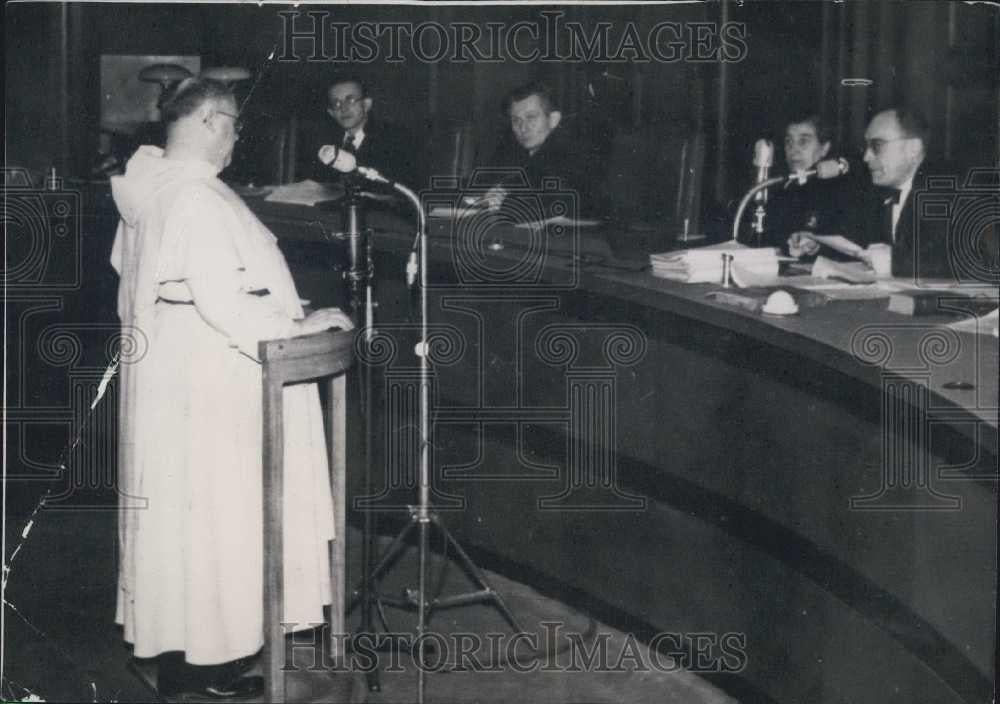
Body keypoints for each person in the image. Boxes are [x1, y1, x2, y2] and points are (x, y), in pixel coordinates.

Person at [111, 77, 353, 699]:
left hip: (180, 373)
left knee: (190, 523)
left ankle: (193, 656)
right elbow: (223, 300)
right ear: (212, 121)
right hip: (212, 375)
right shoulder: (194, 196)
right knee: (220, 519)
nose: (236, 142)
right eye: (235, 128)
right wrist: (296, 325)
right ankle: (210, 665)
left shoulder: (152, 185)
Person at [472, 81, 603, 218]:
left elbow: (558, 204)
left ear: (553, 120)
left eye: (531, 117)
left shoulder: (571, 156)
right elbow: (481, 185)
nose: (523, 128)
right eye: (516, 120)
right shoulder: (512, 152)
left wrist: (504, 202)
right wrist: (488, 195)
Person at [763, 114, 857, 256]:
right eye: (789, 142)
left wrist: (817, 246)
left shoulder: (841, 194)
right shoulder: (780, 190)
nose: (793, 150)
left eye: (803, 141)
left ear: (824, 148)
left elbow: (850, 249)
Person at [301, 76, 420, 187]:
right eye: (336, 103)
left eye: (351, 100)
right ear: (331, 113)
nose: (343, 108)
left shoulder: (396, 140)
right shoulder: (325, 147)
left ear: (366, 105)